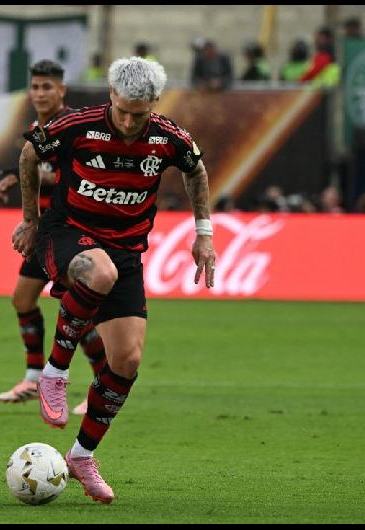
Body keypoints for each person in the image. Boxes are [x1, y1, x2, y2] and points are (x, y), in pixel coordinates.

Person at [12, 57, 216, 504]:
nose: (127, 121)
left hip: (126, 251)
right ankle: (53, 373)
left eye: (137, 114)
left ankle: (82, 456)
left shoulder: (169, 137)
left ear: (154, 105)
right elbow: (30, 153)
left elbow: (195, 170)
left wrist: (204, 234)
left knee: (126, 360)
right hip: (66, 233)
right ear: (111, 96)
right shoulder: (77, 125)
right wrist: (30, 219)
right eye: (121, 110)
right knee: (97, 271)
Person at [0, 60, 106, 416]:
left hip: (68, 234)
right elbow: (39, 166)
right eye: (36, 87)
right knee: (22, 299)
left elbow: (71, 176)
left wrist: (31, 178)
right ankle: (31, 375)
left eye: (47, 87)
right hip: (41, 236)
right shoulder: (35, 128)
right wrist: (16, 173)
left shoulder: (74, 128)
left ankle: (101, 385)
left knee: (78, 312)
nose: (40, 93)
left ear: (62, 90)